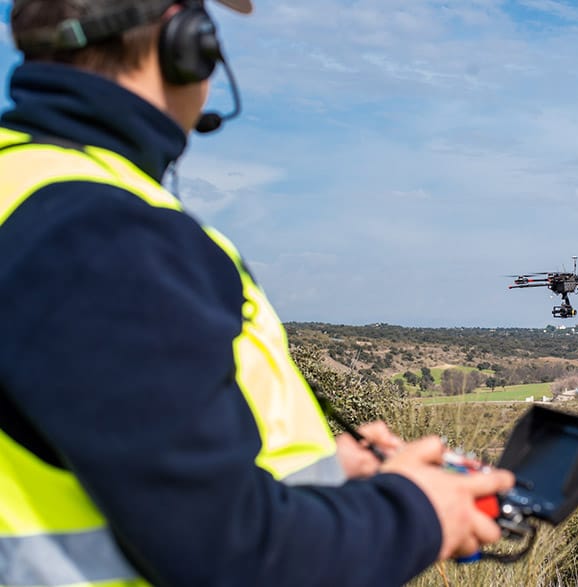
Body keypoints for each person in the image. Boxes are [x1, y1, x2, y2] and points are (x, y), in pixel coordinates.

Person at [0, 1, 514, 585]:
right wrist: (419, 513)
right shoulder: (102, 232)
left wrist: (331, 474)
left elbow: (135, 459)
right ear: (185, 39)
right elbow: (232, 552)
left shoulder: (25, 188)